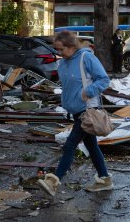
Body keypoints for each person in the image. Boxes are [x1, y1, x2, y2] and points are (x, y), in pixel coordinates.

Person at [37, 31, 112, 196]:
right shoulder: (63, 63)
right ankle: (105, 178)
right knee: (91, 146)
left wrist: (89, 90)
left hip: (87, 110)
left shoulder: (86, 58)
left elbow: (104, 79)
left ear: (71, 47)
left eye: (61, 49)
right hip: (75, 111)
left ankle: (54, 181)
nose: (58, 53)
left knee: (70, 144)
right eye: (56, 49)